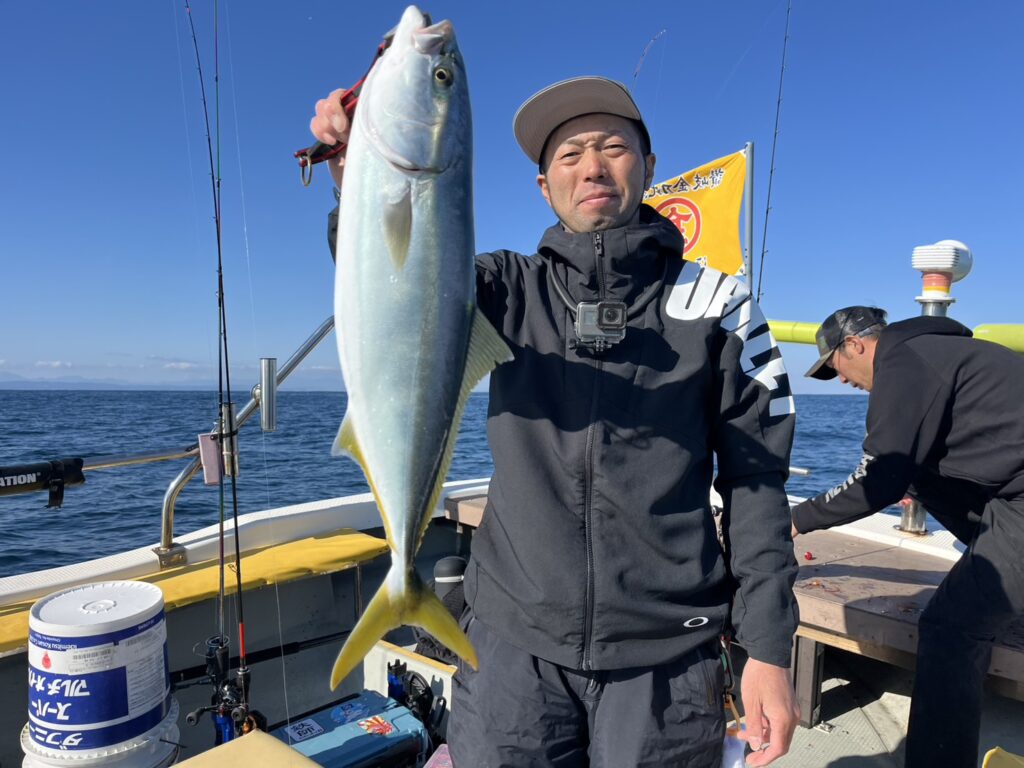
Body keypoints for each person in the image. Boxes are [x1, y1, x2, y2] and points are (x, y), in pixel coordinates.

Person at [312, 75, 800, 767]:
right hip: (512, 646)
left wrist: (769, 651)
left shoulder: (720, 305)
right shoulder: (505, 289)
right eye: (569, 155)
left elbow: (756, 483)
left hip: (666, 657)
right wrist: (356, 176)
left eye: (612, 148)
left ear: (649, 166)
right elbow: (399, 277)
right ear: (545, 187)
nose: (592, 167)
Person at [791, 306, 1024, 768]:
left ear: (855, 344)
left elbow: (876, 481)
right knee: (915, 476)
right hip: (1011, 488)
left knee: (949, 628)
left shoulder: (902, 361)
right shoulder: (935, 352)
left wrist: (796, 520)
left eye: (836, 367)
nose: (842, 381)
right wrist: (908, 480)